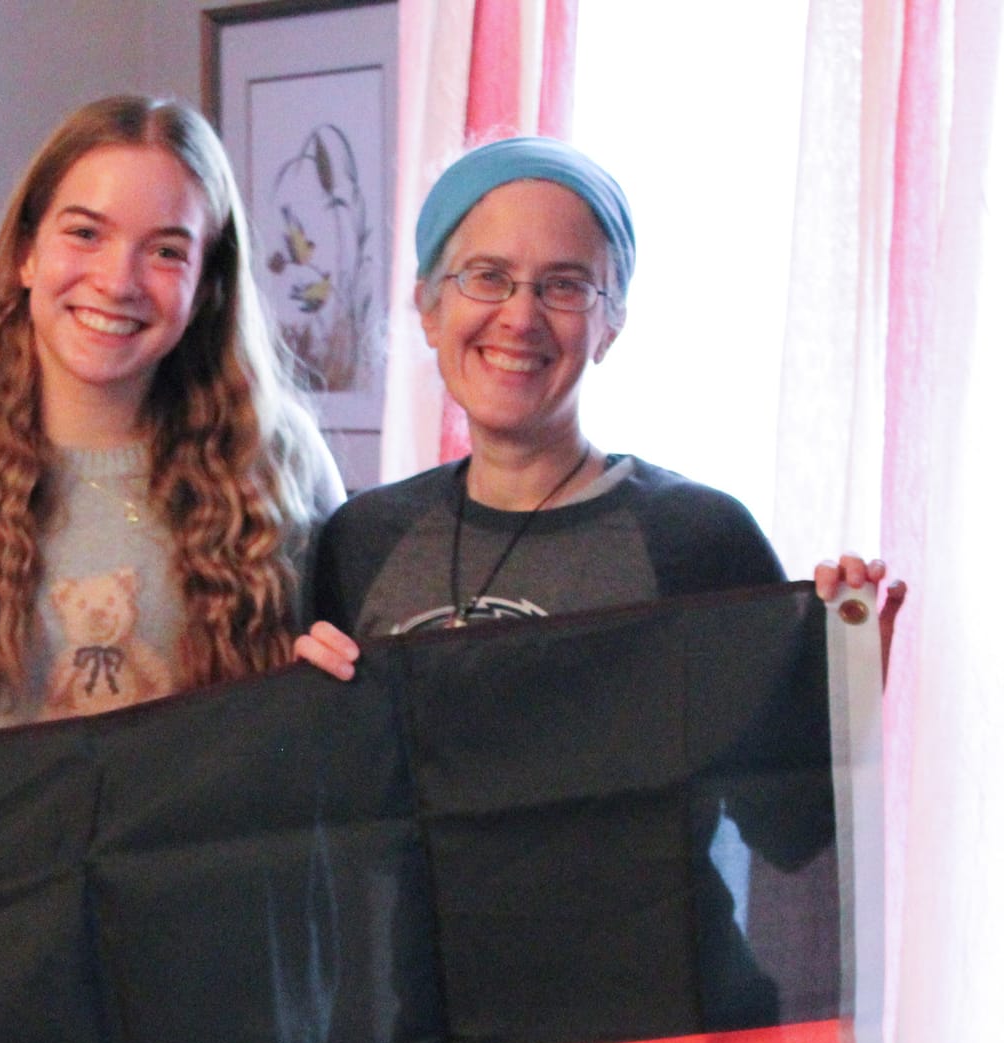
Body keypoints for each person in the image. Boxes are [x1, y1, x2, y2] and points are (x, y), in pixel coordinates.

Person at [290, 136, 892, 684]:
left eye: (565, 286)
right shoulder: (360, 539)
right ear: (429, 307)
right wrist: (305, 710)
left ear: (611, 324)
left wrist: (850, 684)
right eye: (488, 276)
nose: (520, 318)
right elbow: (335, 787)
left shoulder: (702, 541)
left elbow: (779, 776)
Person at [0, 94, 344, 733]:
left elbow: (337, 696)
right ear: (27, 251)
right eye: (85, 233)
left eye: (165, 251)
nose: (117, 281)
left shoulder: (277, 460)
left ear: (207, 284)